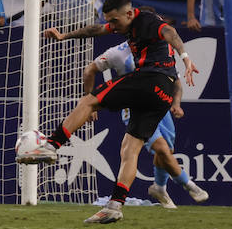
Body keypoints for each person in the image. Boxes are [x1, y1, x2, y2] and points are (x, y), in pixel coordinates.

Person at [27, 0, 199, 225]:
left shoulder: (147, 20)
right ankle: (115, 206)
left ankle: (50, 146)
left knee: (88, 101)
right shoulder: (127, 25)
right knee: (130, 149)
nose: (113, 26)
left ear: (129, 13)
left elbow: (171, 33)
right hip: (162, 94)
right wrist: (64, 35)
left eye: (115, 21)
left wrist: (186, 57)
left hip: (149, 79)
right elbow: (95, 30)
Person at [83, 42, 208, 209]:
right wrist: (89, 103)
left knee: (166, 152)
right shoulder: (119, 53)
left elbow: (176, 82)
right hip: (134, 110)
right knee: (162, 149)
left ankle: (159, 188)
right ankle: (189, 185)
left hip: (160, 106)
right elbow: (90, 69)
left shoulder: (159, 49)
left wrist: (176, 104)